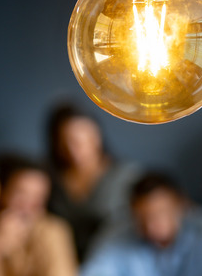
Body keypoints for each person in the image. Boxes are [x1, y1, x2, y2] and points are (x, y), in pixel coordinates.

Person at [81, 171, 202, 276]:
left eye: (159, 214)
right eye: (142, 218)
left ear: (182, 205)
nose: (150, 226)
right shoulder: (116, 233)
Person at [46, 102, 142, 260]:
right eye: (65, 141)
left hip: (112, 260)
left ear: (96, 136)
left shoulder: (126, 176)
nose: (72, 149)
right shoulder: (49, 178)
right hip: (62, 261)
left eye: (79, 141)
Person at [0, 153, 77, 276]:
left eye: (39, 198)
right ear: (0, 193)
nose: (29, 206)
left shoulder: (53, 232)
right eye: (21, 195)